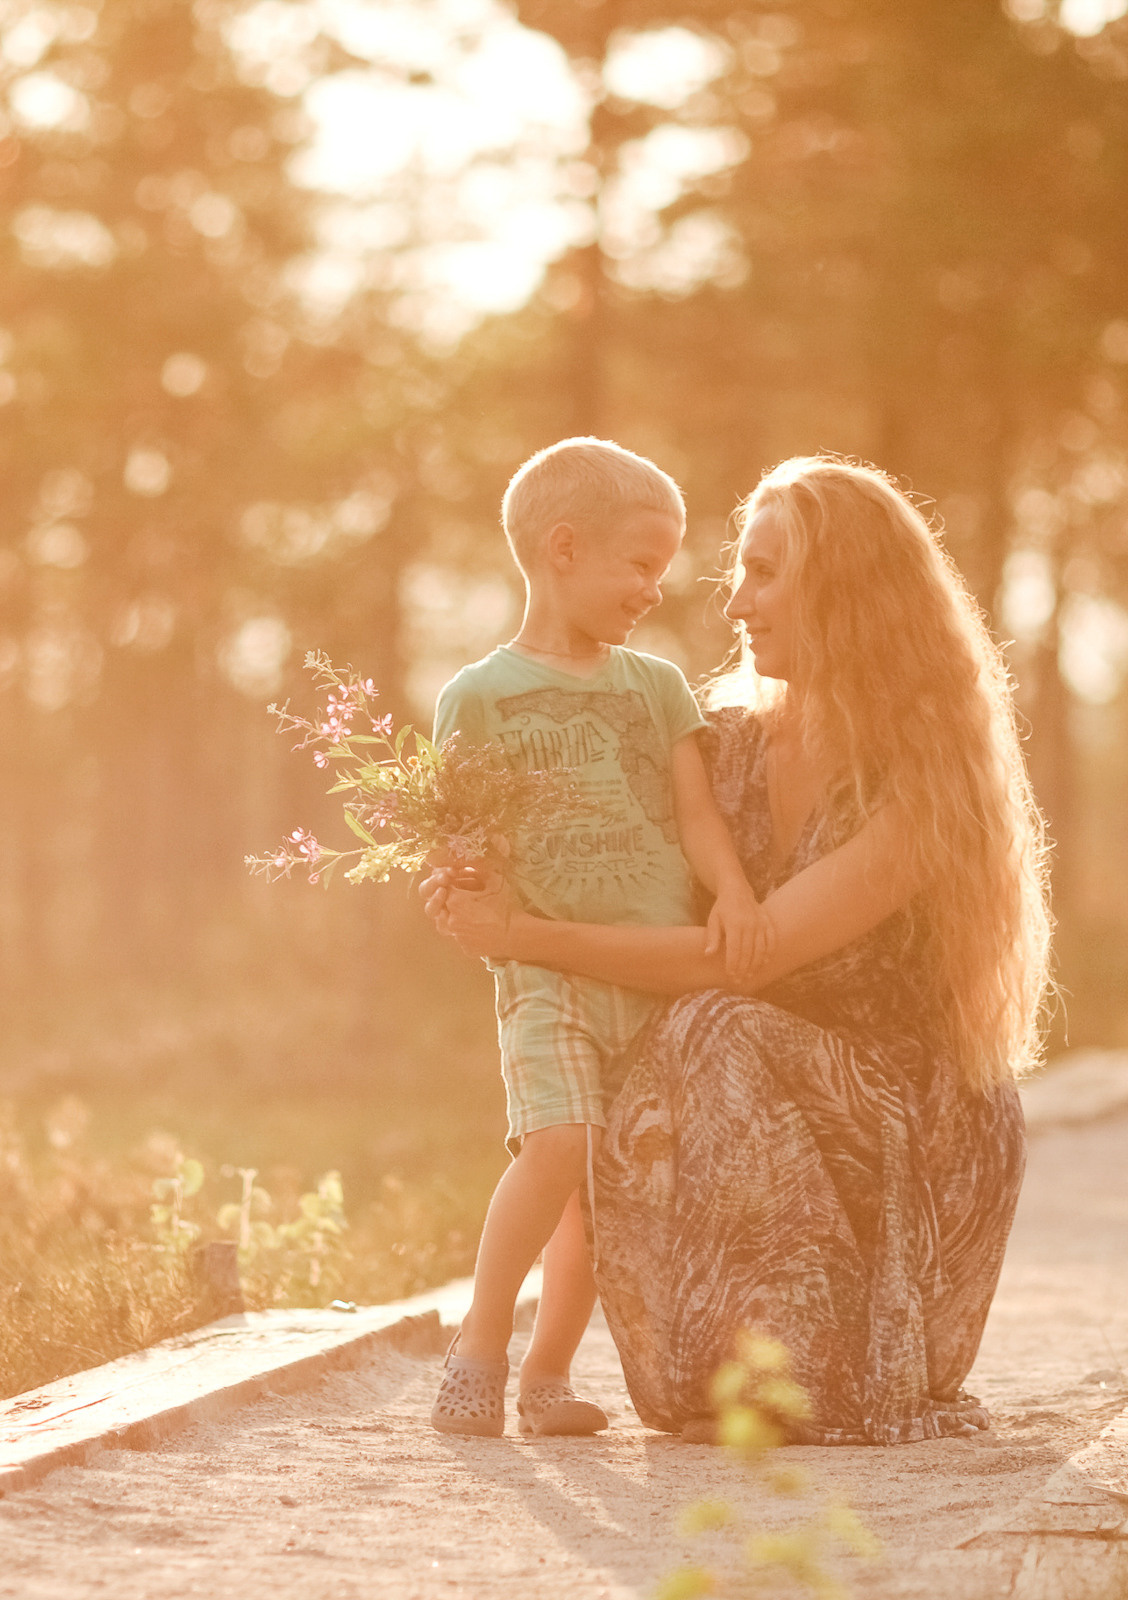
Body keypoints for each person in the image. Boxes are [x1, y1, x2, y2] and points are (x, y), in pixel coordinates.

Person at [426, 454, 1048, 1444]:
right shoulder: (724, 739)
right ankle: (550, 1354)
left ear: (845, 593)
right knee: (657, 1052)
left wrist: (524, 938)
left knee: (707, 1024)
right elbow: (594, 845)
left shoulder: (926, 785)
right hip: (743, 1089)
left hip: (907, 1119)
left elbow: (736, 964)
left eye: (763, 573)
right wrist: (470, 875)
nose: (735, 603)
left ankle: (813, 1357)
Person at [428, 436, 772, 1440]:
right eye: (641, 563)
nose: (654, 589)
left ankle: (548, 1376)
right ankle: (478, 1348)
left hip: (656, 978)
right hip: (546, 974)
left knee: (602, 1192)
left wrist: (734, 892)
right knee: (559, 1148)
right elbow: (463, 837)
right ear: (565, 548)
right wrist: (456, 882)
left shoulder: (656, 686)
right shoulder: (476, 696)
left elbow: (696, 816)